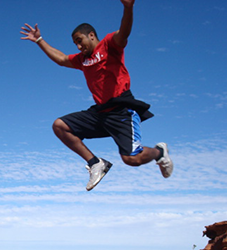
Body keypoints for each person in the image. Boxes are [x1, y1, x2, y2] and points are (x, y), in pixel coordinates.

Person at [20, 0, 173, 191]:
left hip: (121, 111)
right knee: (60, 126)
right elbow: (61, 59)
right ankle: (95, 163)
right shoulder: (82, 60)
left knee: (132, 160)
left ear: (91, 36)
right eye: (75, 43)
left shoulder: (109, 45)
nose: (78, 46)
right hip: (100, 113)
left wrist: (128, 7)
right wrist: (40, 41)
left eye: (79, 40)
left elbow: (123, 32)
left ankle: (159, 152)